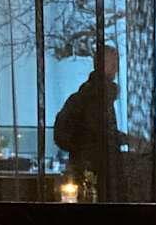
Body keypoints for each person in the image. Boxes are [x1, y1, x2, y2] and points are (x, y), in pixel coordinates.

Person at [52, 46, 125, 186]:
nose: (116, 69)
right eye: (113, 64)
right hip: (93, 169)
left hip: (84, 165)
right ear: (101, 64)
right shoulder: (95, 97)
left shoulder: (89, 95)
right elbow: (100, 132)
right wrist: (128, 140)